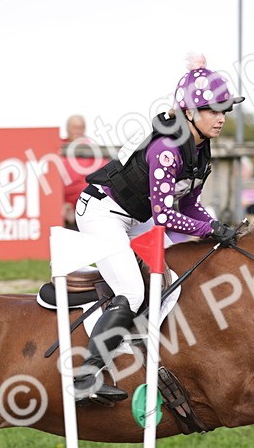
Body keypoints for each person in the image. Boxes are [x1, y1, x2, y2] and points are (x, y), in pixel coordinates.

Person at [71, 53, 243, 404]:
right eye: (213, 110)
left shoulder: (201, 149)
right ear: (190, 113)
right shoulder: (167, 149)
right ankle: (85, 376)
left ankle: (140, 347)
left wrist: (215, 226)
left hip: (137, 216)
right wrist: (210, 230)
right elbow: (166, 217)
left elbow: (189, 205)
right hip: (102, 213)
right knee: (134, 291)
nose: (221, 118)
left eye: (225, 110)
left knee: (170, 281)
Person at [61, 114, 103, 229]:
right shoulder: (57, 151)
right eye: (75, 127)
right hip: (63, 208)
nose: (78, 131)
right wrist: (59, 204)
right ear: (68, 129)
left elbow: (104, 176)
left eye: (81, 127)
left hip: (89, 206)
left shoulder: (93, 151)